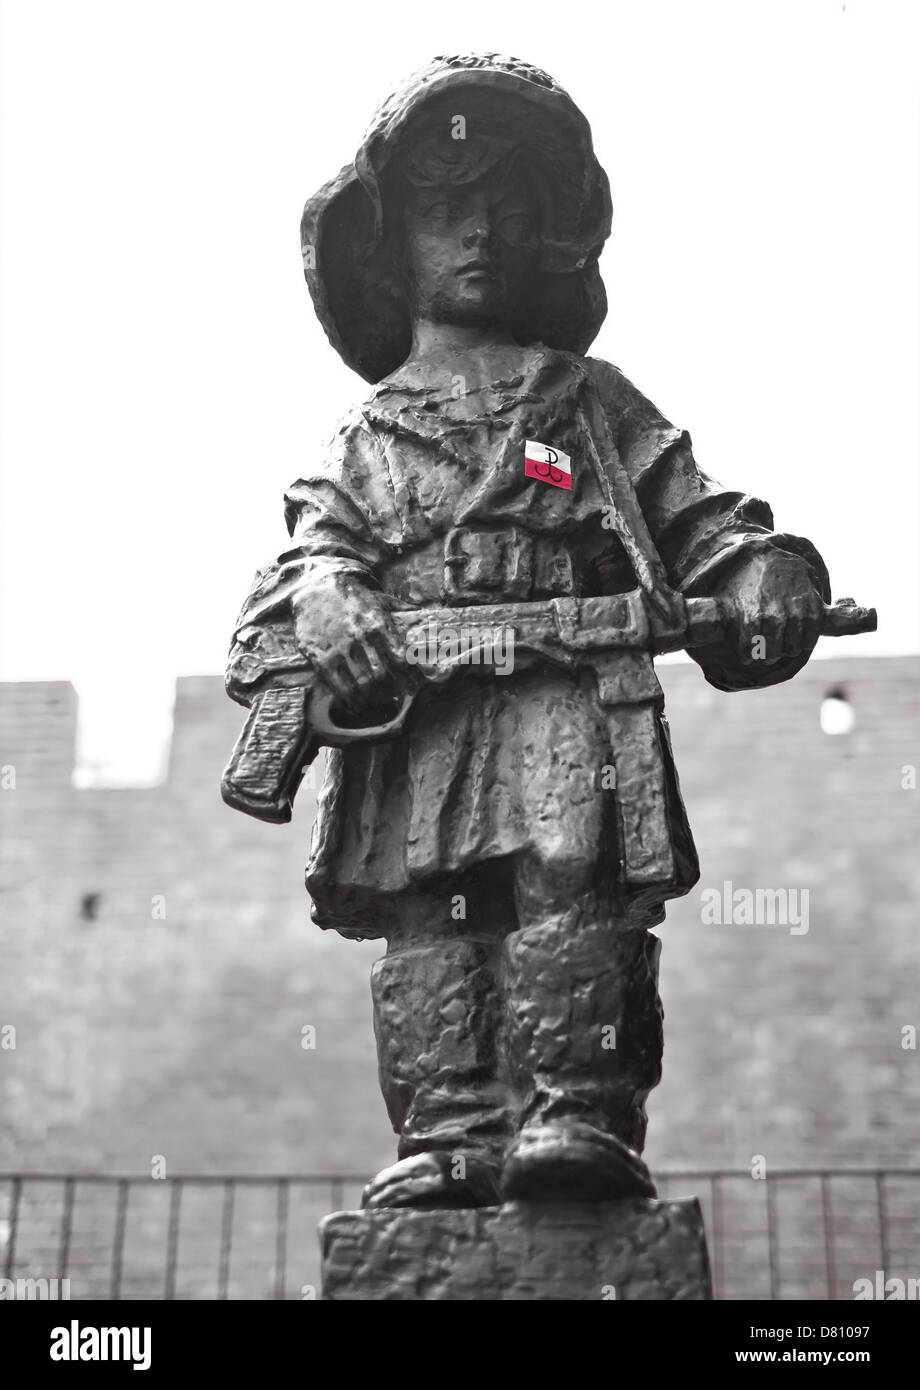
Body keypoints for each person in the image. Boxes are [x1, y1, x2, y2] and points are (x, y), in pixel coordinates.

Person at [227, 53, 829, 1209]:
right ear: (387, 243)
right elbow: (295, 573)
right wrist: (329, 601)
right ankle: (447, 1131)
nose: (481, 235)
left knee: (571, 886)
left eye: (508, 210)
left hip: (565, 695)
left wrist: (765, 573)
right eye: (449, 211)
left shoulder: (590, 404)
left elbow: (705, 524)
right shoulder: (357, 435)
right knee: (428, 916)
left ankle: (574, 1114)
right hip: (421, 722)